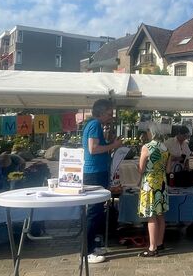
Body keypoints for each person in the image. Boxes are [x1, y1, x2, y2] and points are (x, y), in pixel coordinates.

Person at [81, 99, 121, 264]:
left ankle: (92, 246)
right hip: (94, 173)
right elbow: (93, 149)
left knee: (97, 211)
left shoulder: (95, 125)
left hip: (98, 171)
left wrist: (110, 141)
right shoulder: (94, 125)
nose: (111, 116)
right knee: (93, 211)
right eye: (109, 113)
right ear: (101, 112)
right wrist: (114, 145)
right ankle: (87, 251)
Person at [137, 121, 169, 257]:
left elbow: (141, 169)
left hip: (149, 183)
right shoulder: (165, 148)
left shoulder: (146, 147)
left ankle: (152, 247)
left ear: (151, 132)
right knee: (160, 215)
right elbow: (168, 169)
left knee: (151, 216)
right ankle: (160, 243)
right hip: (161, 183)